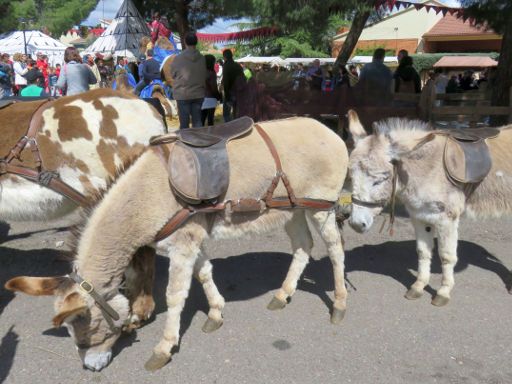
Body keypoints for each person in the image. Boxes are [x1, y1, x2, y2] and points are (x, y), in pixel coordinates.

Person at [169, 31, 206, 128]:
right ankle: (199, 142)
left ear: (185, 42)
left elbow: (172, 74)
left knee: (184, 125)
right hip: (198, 93)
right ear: (196, 42)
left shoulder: (178, 58)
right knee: (197, 122)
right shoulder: (202, 58)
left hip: (183, 94)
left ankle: (185, 143)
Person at [221, 48, 244, 122]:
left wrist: (227, 97)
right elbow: (243, 79)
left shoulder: (226, 65)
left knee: (226, 114)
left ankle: (229, 130)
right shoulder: (238, 66)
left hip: (230, 92)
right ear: (232, 56)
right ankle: (238, 128)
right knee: (236, 113)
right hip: (239, 92)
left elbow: (226, 81)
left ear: (224, 57)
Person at [201, 54, 221, 126]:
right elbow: (214, 88)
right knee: (210, 121)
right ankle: (210, 136)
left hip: (201, 98)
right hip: (210, 99)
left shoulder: (200, 72)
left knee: (202, 120)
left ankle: (200, 135)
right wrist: (219, 96)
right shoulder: (211, 73)